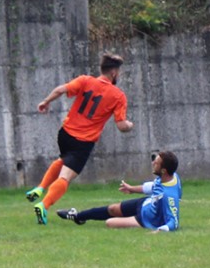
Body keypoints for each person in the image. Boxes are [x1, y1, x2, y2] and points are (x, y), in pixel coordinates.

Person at [26, 53, 135, 224]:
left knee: (63, 160)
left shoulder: (85, 80)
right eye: (119, 72)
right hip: (82, 142)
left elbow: (60, 90)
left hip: (65, 134)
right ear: (114, 73)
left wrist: (46, 101)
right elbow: (121, 126)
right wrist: (130, 125)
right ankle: (43, 206)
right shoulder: (118, 95)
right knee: (65, 177)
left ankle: (40, 188)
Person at [57, 151, 181, 232]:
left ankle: (130, 220)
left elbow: (173, 222)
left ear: (164, 170)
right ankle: (77, 216)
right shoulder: (170, 176)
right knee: (112, 209)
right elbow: (152, 187)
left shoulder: (169, 196)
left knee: (110, 223)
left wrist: (160, 230)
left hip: (146, 220)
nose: (153, 163)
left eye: (156, 162)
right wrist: (132, 189)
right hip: (146, 204)